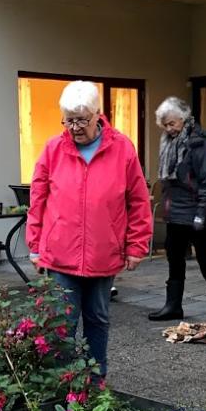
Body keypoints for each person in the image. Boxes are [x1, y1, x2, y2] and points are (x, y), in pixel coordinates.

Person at [26, 81, 153, 378]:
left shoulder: (122, 148)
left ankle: (97, 380)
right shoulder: (53, 149)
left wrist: (136, 245)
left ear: (98, 115)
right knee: (62, 321)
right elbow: (38, 199)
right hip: (60, 252)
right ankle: (62, 382)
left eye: (81, 120)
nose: (75, 127)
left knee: (97, 317)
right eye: (69, 120)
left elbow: (138, 199)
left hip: (103, 252)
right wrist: (34, 244)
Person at [148, 97, 206, 322]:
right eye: (165, 125)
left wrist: (202, 213)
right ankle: (173, 306)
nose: (168, 129)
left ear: (183, 119)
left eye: (172, 124)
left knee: (205, 259)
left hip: (196, 211)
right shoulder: (168, 141)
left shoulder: (199, 142)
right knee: (174, 257)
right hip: (176, 211)